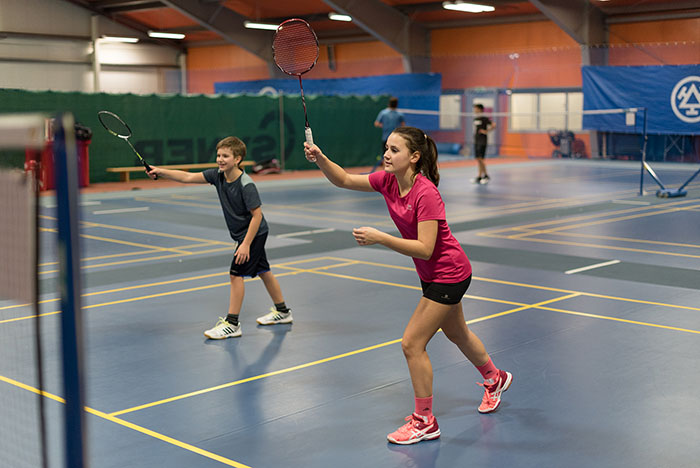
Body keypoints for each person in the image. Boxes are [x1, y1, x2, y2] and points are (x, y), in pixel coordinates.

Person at [304, 127, 512, 445]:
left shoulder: (425, 193)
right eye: (386, 148)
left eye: (395, 150)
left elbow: (426, 248)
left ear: (414, 157)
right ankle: (494, 377)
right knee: (457, 333)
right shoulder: (387, 181)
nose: (387, 154)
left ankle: (425, 421)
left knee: (412, 344)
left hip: (449, 273)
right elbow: (344, 180)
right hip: (432, 275)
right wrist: (320, 159)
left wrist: (380, 237)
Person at [146, 136, 292, 339]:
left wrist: (245, 245)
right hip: (246, 234)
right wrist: (160, 172)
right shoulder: (218, 176)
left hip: (253, 233)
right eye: (218, 155)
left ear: (238, 158)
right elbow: (187, 177)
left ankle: (232, 324)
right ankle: (283, 311)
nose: (220, 159)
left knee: (235, 274)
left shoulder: (246, 184)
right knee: (263, 270)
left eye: (225, 156)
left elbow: (257, 216)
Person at [373, 96, 405, 171]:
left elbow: (376, 123)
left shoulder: (383, 113)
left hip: (386, 138)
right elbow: (403, 126)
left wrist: (384, 125)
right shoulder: (400, 114)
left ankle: (386, 171)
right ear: (396, 104)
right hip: (396, 139)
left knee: (386, 155)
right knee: (396, 154)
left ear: (389, 104)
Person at [472, 103, 495, 184]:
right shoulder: (475, 119)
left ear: (480, 109)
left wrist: (486, 131)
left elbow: (493, 125)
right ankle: (479, 176)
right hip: (476, 141)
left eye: (476, 108)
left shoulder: (485, 118)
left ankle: (486, 176)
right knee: (478, 159)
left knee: (481, 159)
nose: (474, 110)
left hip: (482, 142)